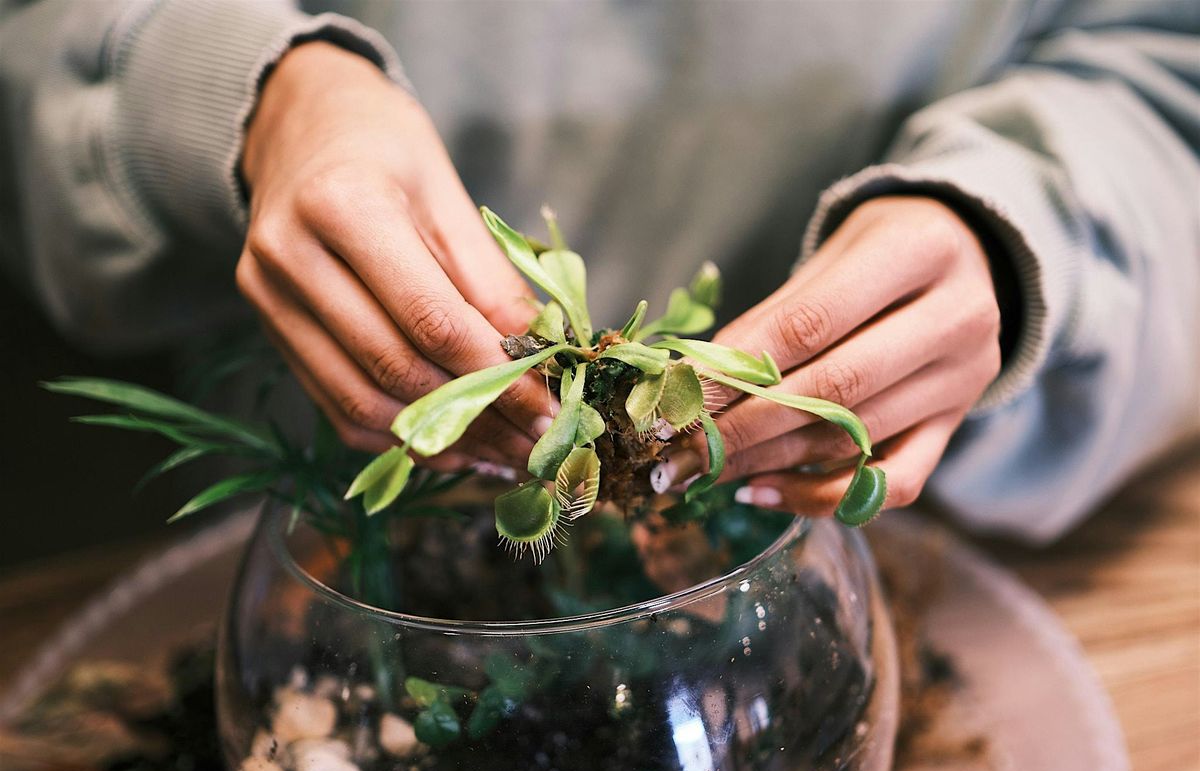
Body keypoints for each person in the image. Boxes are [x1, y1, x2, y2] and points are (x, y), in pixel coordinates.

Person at [2, 0, 1197, 542]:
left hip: (895, 547)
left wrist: (1011, 228)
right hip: (305, 519)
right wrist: (251, 92)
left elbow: (1165, 60)